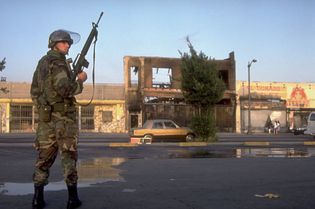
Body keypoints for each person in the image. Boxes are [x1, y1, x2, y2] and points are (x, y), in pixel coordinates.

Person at [30, 29, 87, 209]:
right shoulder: (59, 63)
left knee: (43, 158)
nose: (68, 45)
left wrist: (45, 108)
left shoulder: (42, 63)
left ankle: (37, 199)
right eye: (64, 42)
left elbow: (34, 92)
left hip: (46, 120)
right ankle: (72, 199)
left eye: (68, 43)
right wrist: (80, 80)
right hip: (63, 120)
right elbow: (65, 89)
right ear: (55, 44)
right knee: (68, 157)